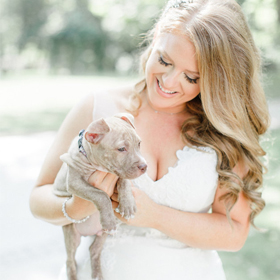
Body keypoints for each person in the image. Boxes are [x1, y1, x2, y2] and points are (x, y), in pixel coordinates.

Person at [29, 0, 270, 279]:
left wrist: (154, 215)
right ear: (156, 37)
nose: (168, 82)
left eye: (191, 77)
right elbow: (39, 197)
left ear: (214, 80)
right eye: (164, 60)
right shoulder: (97, 109)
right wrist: (74, 206)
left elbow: (234, 233)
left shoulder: (222, 130)